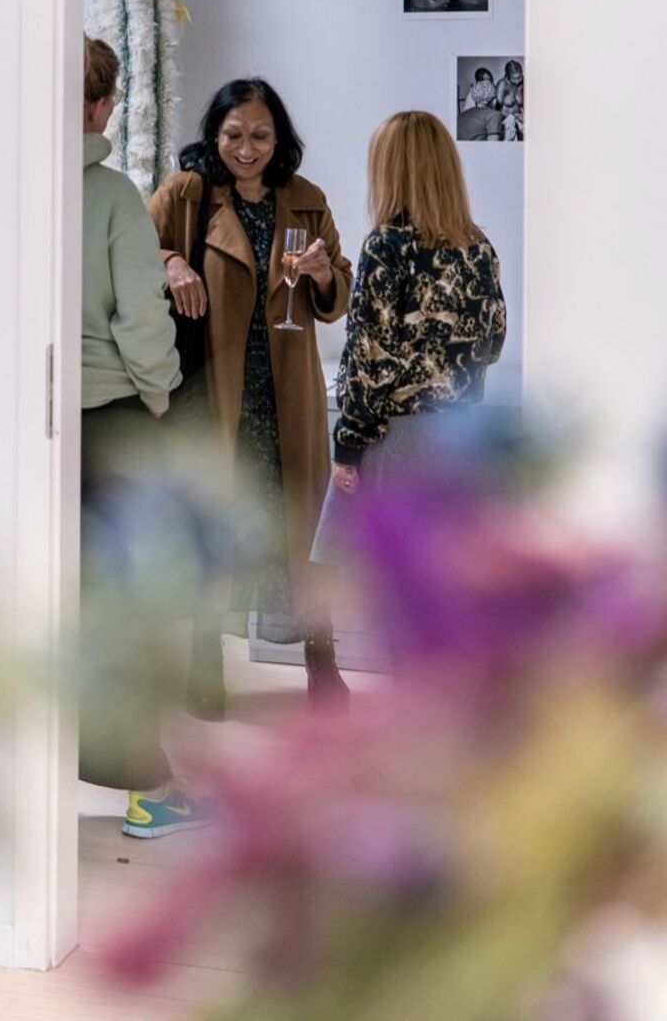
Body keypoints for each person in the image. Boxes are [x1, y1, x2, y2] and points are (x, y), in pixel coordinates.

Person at [148, 79, 353, 702]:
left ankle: (323, 663)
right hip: (218, 389)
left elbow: (338, 292)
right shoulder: (187, 194)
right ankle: (204, 661)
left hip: (286, 391)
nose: (246, 148)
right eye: (234, 134)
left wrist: (323, 276)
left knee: (298, 528)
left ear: (278, 138)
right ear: (214, 133)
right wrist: (172, 262)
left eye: (260, 135)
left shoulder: (306, 199)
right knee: (218, 524)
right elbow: (135, 249)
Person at [80, 36, 208, 841]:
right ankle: (147, 789)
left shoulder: (5, 181)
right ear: (99, 106)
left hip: (35, 424)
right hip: (114, 425)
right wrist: (162, 397)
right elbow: (141, 322)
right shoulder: (112, 196)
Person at [312, 111, 507, 558]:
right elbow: (493, 342)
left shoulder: (386, 246)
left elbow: (369, 360)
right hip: (463, 440)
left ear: (390, 171)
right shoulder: (478, 247)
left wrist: (348, 448)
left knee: (384, 593)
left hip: (398, 441)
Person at [458, 66, 503, 143]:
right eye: (487, 81)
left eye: (491, 81)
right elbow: (493, 147)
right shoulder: (492, 115)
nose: (490, 83)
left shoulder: (460, 117)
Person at [496, 60, 524, 141]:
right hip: (506, 123)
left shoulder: (522, 82)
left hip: (520, 121)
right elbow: (496, 109)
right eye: (514, 78)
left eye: (519, 77)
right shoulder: (502, 84)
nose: (517, 81)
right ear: (508, 76)